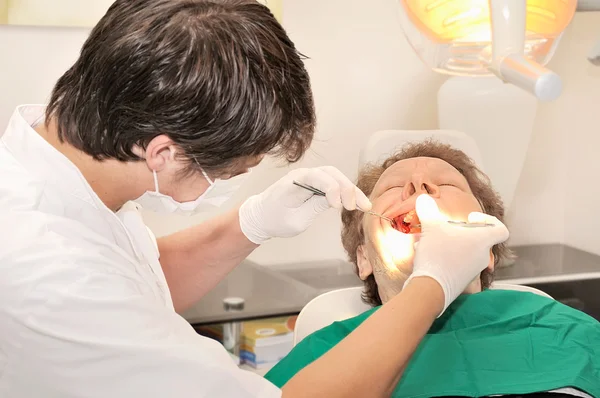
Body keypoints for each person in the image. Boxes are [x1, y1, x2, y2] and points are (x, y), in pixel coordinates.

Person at [0, 1, 509, 397]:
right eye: (237, 171)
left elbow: (133, 281)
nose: (419, 191)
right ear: (163, 152)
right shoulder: (48, 270)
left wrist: (251, 224)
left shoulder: (73, 164)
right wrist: (431, 285)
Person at [264, 141, 600, 397]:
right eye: (393, 187)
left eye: (449, 186)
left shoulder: (572, 333)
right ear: (363, 258)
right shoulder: (323, 356)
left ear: (488, 252)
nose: (419, 186)